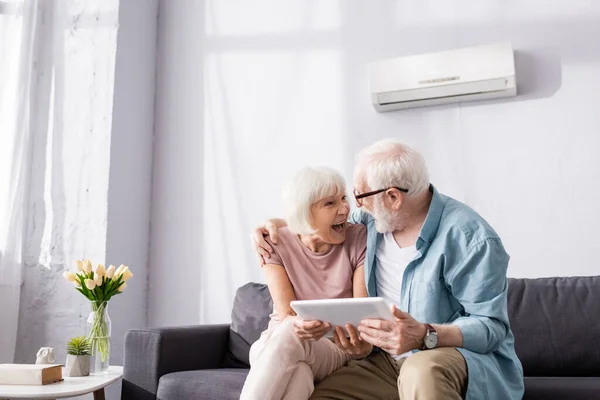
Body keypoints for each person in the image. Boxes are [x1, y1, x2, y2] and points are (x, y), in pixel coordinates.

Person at [251, 139, 524, 400]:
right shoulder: (373, 222)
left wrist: (425, 334)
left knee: (420, 371)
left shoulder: (469, 238)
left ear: (393, 197)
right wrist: (269, 226)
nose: (353, 206)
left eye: (359, 195)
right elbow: (315, 221)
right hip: (383, 361)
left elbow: (492, 327)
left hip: (444, 354)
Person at [240, 166, 371, 400]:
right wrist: (297, 324)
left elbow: (359, 313)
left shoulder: (358, 237)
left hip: (334, 346)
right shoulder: (275, 242)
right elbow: (287, 312)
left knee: (283, 338)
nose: (344, 209)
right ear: (305, 213)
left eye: (343, 198)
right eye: (329, 204)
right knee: (299, 373)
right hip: (279, 341)